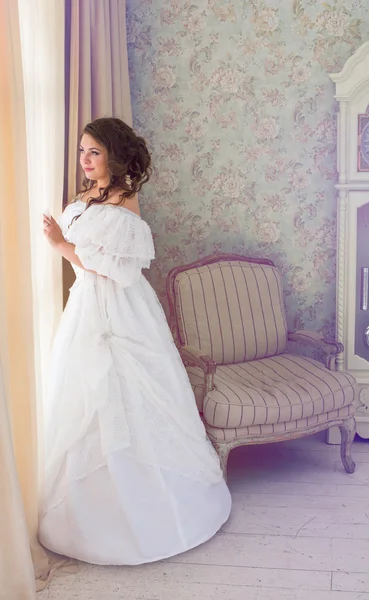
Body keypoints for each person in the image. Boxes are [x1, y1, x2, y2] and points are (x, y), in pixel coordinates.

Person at [39, 117, 231, 565]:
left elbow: (112, 267)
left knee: (129, 396)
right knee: (88, 396)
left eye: (95, 152)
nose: (85, 160)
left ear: (114, 156)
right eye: (83, 151)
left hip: (119, 307)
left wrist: (59, 245)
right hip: (85, 305)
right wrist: (64, 244)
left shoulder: (125, 198)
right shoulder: (85, 197)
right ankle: (86, 508)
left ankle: (150, 509)